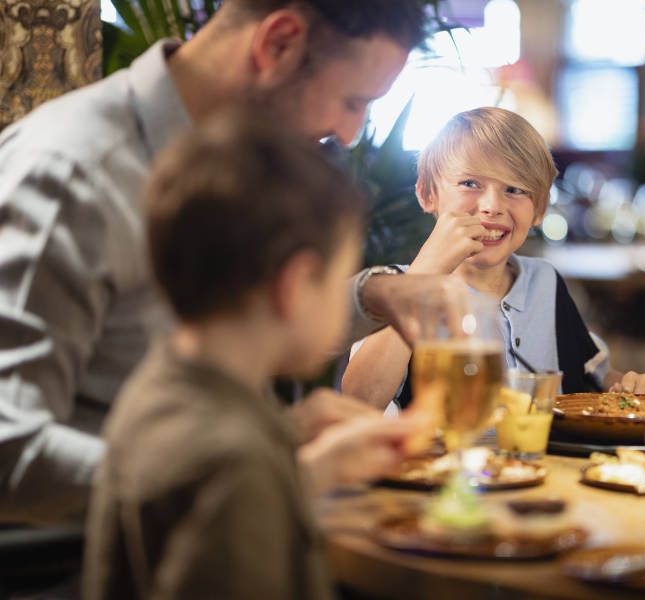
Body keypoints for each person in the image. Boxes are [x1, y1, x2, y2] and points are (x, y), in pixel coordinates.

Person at [0, 0, 459, 524]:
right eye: (352, 100)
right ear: (278, 43)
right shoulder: (71, 176)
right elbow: (8, 451)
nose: (351, 134)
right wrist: (263, 474)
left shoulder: (232, 163)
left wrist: (278, 439)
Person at [82, 111, 425, 600]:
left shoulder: (164, 384)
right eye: (339, 275)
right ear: (295, 286)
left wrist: (302, 462)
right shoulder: (235, 465)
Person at [342, 107, 645, 411]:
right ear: (428, 195)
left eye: (515, 189)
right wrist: (423, 275)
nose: (492, 206)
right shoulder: (394, 289)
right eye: (470, 183)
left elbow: (593, 375)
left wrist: (628, 387)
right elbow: (359, 400)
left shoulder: (545, 283)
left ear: (539, 209)